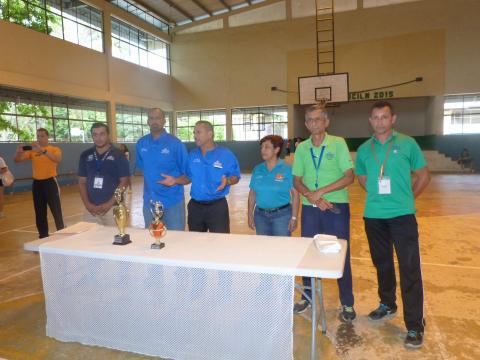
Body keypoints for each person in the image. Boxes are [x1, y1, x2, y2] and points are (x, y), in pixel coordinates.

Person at [355, 101, 430, 348]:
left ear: (393, 119)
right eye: (375, 117)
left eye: (384, 117)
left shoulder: (408, 143)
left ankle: (415, 325)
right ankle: (387, 303)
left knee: (409, 268)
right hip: (374, 216)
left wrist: (406, 199)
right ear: (370, 120)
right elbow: (363, 179)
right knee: (382, 263)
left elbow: (423, 176)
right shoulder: (365, 149)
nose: (379, 121)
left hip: (403, 217)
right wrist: (380, 198)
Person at [292, 103, 356, 322]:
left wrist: (320, 193)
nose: (313, 123)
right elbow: (297, 180)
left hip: (335, 207)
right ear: (306, 123)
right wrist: (313, 196)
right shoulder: (302, 148)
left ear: (326, 122)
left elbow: (349, 176)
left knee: (340, 254)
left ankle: (347, 303)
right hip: (311, 208)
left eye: (318, 119)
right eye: (309, 120)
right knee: (308, 254)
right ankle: (307, 297)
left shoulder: (338, 144)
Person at [136, 108, 189, 230]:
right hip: (150, 203)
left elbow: (189, 176)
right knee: (152, 240)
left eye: (158, 118)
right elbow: (141, 169)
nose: (154, 121)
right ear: (147, 121)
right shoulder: (141, 143)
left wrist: (175, 180)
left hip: (172, 203)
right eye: (151, 118)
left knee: (176, 241)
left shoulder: (176, 144)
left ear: (164, 121)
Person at [186, 120, 240, 233]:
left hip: (217, 207)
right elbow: (187, 177)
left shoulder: (225, 154)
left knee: (220, 243)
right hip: (195, 207)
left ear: (210, 134)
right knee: (196, 242)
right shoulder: (192, 155)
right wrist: (175, 180)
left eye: (198, 132)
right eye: (194, 133)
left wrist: (228, 181)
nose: (195, 136)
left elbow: (236, 176)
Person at [14, 128, 64, 238]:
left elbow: (58, 159)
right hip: (37, 184)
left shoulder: (54, 149)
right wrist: (18, 153)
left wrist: (43, 150)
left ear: (47, 137)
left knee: (56, 210)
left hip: (50, 182)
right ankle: (43, 236)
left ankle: (62, 234)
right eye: (38, 136)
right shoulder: (32, 151)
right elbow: (17, 160)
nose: (39, 138)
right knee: (40, 212)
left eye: (42, 136)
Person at [78, 123, 130, 226]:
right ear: (92, 136)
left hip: (113, 208)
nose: (98, 138)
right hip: (91, 210)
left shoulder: (118, 155)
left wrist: (109, 204)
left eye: (102, 134)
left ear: (108, 135)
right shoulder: (85, 155)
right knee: (89, 240)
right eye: (95, 135)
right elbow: (82, 182)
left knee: (115, 240)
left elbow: (124, 182)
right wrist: (87, 205)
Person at [248, 135, 299, 236]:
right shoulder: (257, 169)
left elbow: (295, 194)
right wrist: (249, 214)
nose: (263, 150)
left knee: (282, 248)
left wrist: (294, 217)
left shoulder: (287, 169)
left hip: (282, 216)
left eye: (267, 147)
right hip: (260, 216)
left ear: (276, 149)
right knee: (264, 248)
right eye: (262, 147)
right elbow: (252, 193)